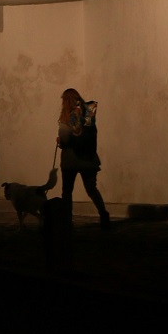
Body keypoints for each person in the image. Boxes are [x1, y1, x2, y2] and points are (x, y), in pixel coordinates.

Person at [56, 87, 110, 229]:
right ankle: (104, 214)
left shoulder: (67, 117)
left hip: (70, 161)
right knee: (92, 189)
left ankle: (67, 220)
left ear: (66, 101)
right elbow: (92, 135)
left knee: (67, 192)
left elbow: (65, 139)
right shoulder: (88, 114)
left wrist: (60, 142)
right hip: (88, 160)